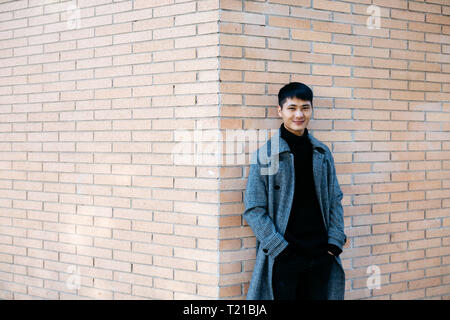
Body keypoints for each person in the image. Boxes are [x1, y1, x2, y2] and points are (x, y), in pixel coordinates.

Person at [243, 82, 347, 300]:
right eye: (292, 108)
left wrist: (334, 244)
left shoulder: (322, 152)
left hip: (321, 254)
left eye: (305, 107)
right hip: (284, 256)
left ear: (311, 110)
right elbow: (254, 208)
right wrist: (280, 249)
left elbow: (335, 199)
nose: (299, 114)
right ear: (280, 111)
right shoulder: (266, 155)